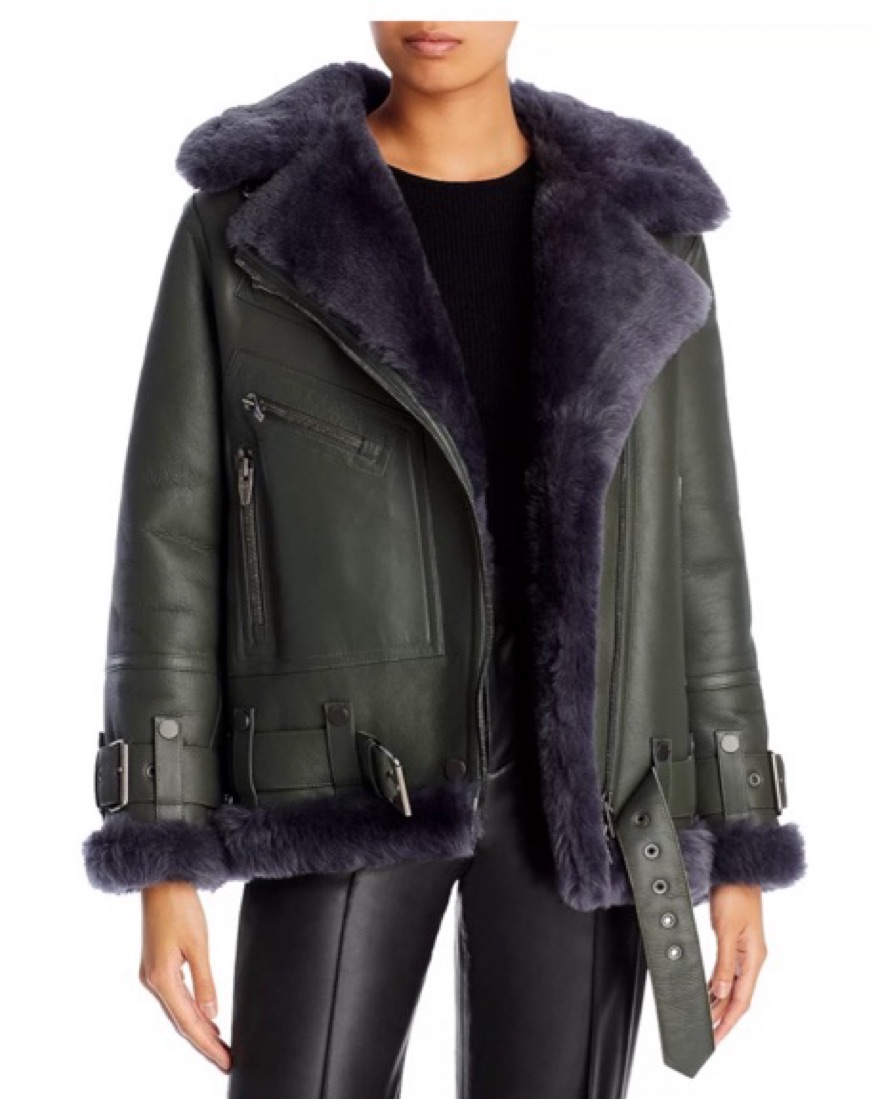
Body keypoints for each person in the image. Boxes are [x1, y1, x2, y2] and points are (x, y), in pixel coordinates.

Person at [82, 20, 807, 1099]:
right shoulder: (251, 227)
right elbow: (172, 540)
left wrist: (738, 837)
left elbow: (700, 554)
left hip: (594, 783)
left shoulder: (644, 232)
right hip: (343, 772)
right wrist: (161, 849)